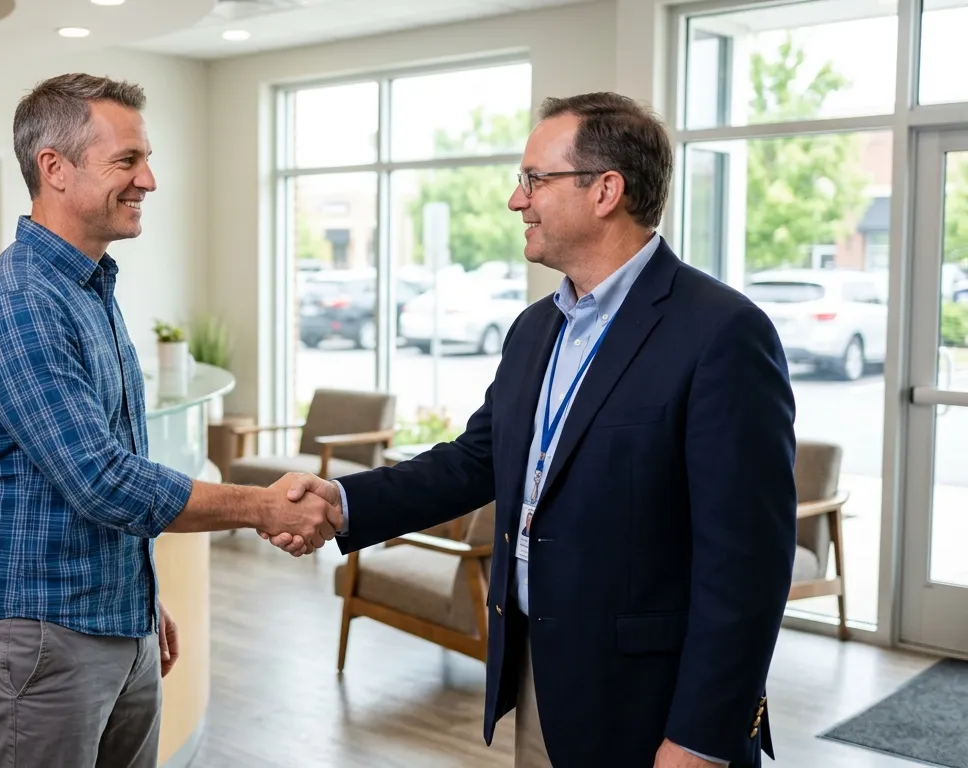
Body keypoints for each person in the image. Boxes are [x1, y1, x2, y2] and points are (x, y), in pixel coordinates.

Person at [273, 92, 797, 767]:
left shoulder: (722, 332)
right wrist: (343, 502)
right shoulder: (535, 329)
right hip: (540, 677)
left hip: (655, 705)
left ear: (605, 190)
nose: (516, 201)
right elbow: (477, 460)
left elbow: (748, 564)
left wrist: (700, 737)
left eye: (533, 179)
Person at [0, 73, 340, 768]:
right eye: (127, 161)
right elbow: (101, 480)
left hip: (113, 622)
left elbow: (98, 472)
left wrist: (141, 602)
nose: (149, 180)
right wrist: (258, 505)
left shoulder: (89, 287)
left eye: (145, 159)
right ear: (54, 169)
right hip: (45, 637)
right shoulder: (21, 302)